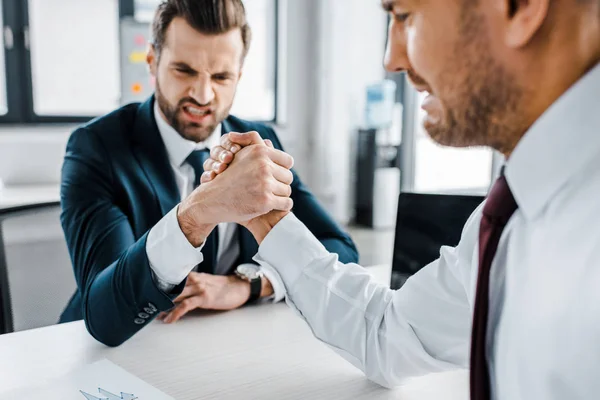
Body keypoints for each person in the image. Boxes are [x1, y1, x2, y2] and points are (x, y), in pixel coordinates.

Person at [202, 0, 600, 398]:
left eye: (406, 16)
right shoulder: (509, 217)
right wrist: (264, 218)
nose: (392, 59)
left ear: (520, 7)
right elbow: (388, 335)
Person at [59, 0, 358, 347]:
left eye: (220, 76)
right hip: (113, 356)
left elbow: (339, 250)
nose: (203, 95)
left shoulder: (260, 143)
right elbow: (104, 314)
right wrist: (195, 217)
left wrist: (248, 283)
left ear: (239, 76)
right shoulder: (96, 148)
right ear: (153, 62)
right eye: (184, 71)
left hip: (227, 347)